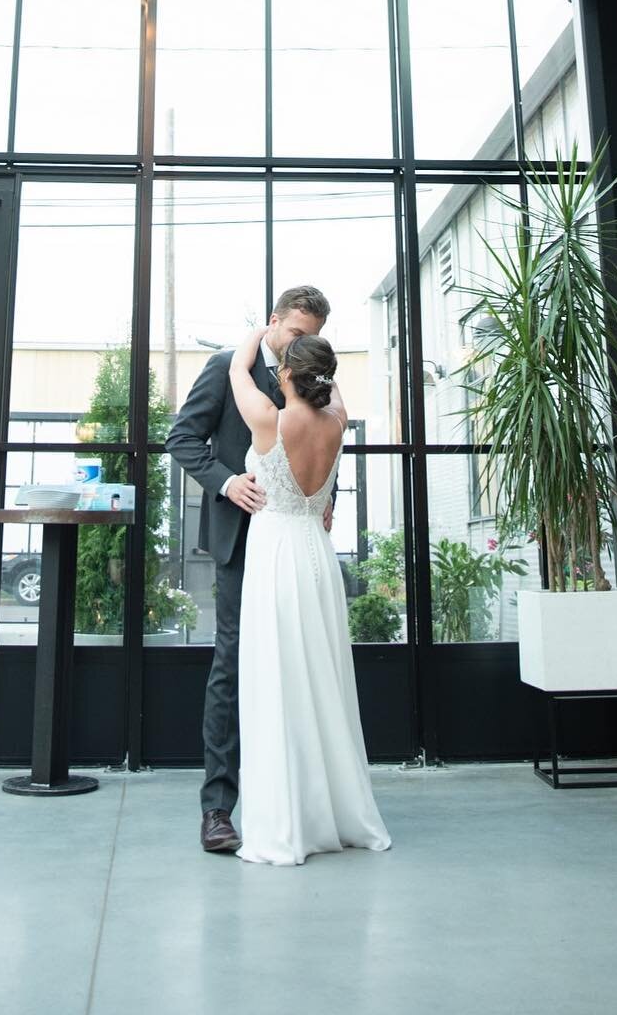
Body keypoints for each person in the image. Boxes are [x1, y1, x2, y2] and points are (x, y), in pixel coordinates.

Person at [165, 285, 331, 854]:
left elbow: (323, 438)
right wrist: (227, 481)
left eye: (312, 338)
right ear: (272, 323)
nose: (302, 346)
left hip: (294, 542)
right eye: (295, 335)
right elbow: (182, 439)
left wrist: (323, 494)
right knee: (232, 667)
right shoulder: (224, 368)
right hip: (242, 544)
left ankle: (291, 800)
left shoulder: (312, 378)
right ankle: (218, 808)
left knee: (297, 665)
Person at [226, 326, 391, 866]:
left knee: (277, 676)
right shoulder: (336, 423)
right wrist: (318, 371)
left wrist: (257, 334)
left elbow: (235, 372)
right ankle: (338, 813)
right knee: (322, 678)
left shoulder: (272, 422)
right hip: (318, 554)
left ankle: (287, 822)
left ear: (288, 375)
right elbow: (337, 392)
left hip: (276, 552)